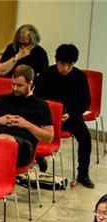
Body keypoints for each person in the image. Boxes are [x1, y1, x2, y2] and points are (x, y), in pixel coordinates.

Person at [35, 44, 93, 188]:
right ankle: (37, 156)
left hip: (70, 117)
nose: (65, 68)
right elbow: (37, 98)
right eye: (62, 64)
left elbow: (85, 102)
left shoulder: (80, 77)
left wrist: (71, 114)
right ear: (56, 60)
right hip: (46, 117)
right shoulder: (46, 74)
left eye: (69, 64)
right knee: (29, 130)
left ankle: (83, 174)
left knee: (85, 138)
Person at [0, 65, 53, 167]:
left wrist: (26, 125)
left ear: (30, 83)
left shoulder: (40, 105)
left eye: (19, 85)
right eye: (13, 84)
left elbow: (48, 138)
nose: (15, 88)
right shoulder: (0, 100)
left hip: (23, 147)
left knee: (3, 140)